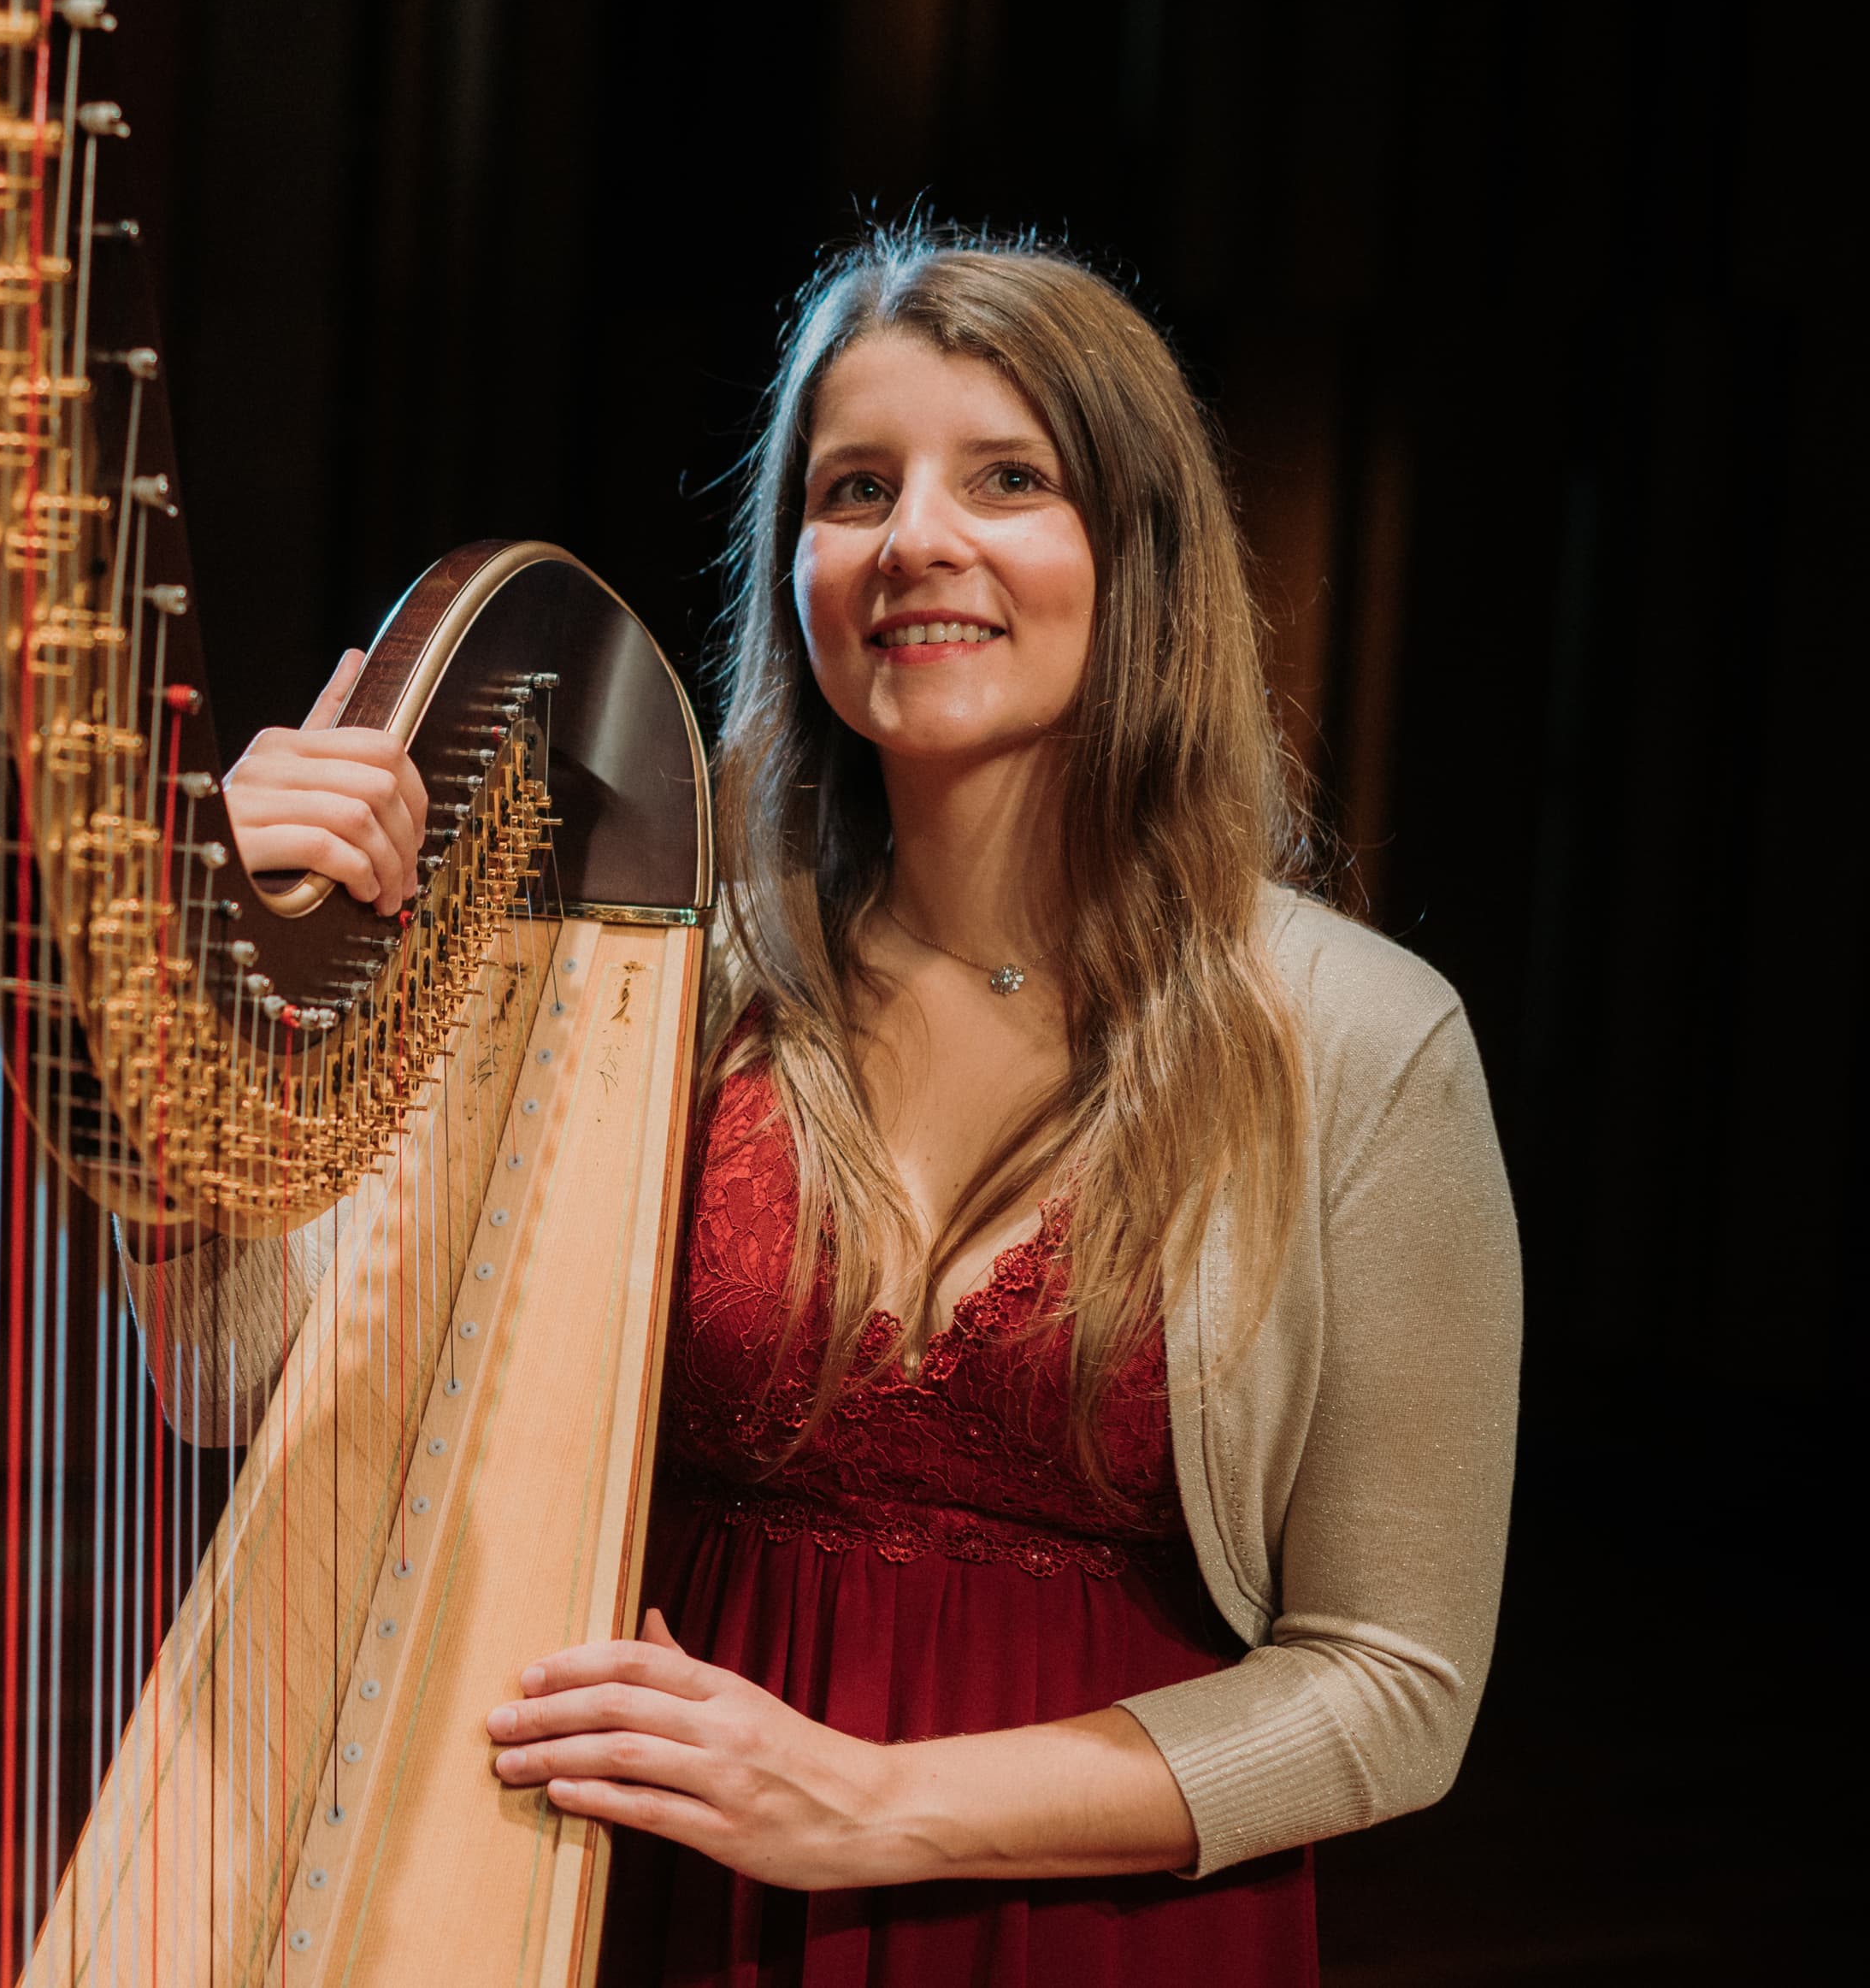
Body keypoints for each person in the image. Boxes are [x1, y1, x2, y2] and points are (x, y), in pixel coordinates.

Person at [210, 225, 1520, 1985]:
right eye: (852, 488)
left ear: (1135, 555)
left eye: (1008, 478)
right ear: (794, 569)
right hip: (666, 1894)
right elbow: (230, 1379)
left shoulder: (1361, 1040)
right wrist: (221, 969)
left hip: (1090, 1927)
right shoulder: (661, 990)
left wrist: (865, 1804)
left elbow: (1394, 1689)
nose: (918, 538)